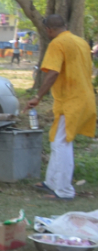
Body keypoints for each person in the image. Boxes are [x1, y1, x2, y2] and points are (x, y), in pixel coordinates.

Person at [27, 14, 97, 200]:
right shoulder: (81, 42)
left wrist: (38, 96)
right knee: (58, 141)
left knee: (62, 144)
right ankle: (51, 182)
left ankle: (64, 191)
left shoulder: (57, 43)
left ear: (48, 29)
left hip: (71, 100)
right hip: (83, 98)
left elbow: (53, 72)